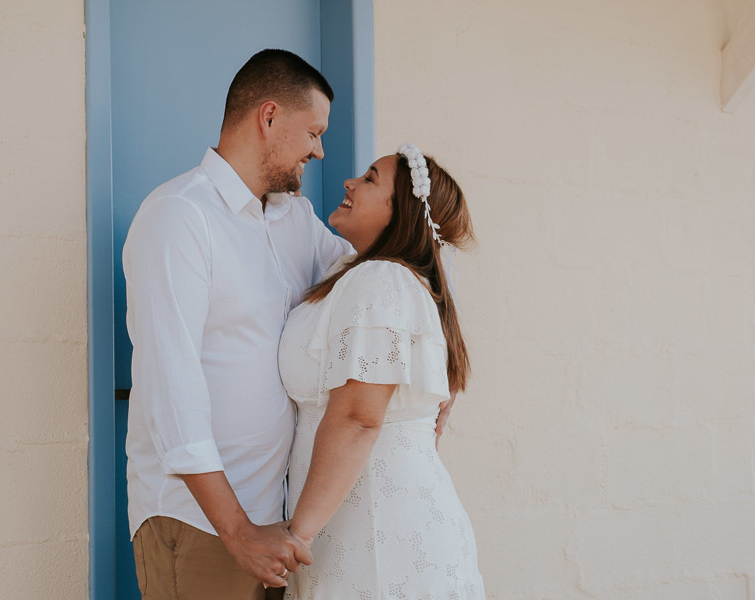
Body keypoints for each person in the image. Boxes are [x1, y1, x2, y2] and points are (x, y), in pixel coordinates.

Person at [122, 49, 352, 599]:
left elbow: (369, 281)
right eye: (313, 133)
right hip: (200, 524)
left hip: (273, 525)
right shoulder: (180, 216)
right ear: (268, 117)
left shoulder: (295, 219)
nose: (320, 151)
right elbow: (170, 388)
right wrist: (237, 529)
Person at [277, 143, 486, 598]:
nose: (350, 183)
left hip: (379, 531)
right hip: (353, 521)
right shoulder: (357, 272)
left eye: (370, 179)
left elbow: (357, 417)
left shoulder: (381, 282)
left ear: (401, 214)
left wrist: (297, 536)